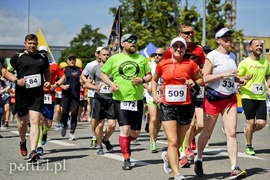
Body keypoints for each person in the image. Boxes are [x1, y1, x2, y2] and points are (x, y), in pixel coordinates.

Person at [194, 23, 247, 179]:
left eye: (229, 35)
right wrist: (224, 74)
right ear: (218, 40)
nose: (228, 38)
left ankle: (234, 168)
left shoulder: (232, 56)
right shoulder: (212, 56)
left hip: (230, 98)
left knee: (231, 132)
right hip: (213, 97)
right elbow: (204, 78)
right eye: (225, 36)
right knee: (207, 133)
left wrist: (239, 80)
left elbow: (231, 76)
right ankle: (199, 158)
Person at [152, 37, 203, 180]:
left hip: (186, 106)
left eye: (181, 46)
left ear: (185, 49)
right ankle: (177, 174)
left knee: (180, 143)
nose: (178, 49)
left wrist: (194, 81)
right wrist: (155, 94)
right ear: (170, 48)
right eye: (176, 46)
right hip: (167, 105)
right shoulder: (163, 64)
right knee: (173, 141)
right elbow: (154, 80)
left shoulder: (190, 64)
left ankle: (168, 157)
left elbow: (201, 79)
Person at [100, 34, 152, 170]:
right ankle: (126, 158)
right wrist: (111, 84)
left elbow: (149, 75)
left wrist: (142, 80)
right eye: (130, 41)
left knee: (135, 133)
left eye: (135, 40)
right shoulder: (114, 58)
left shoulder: (141, 59)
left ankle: (125, 144)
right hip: (120, 99)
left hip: (137, 99)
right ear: (122, 44)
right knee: (125, 129)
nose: (133, 43)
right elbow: (103, 74)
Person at [9, 34, 51, 162]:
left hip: (37, 94)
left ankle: (33, 151)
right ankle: (22, 141)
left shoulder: (42, 57)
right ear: (25, 44)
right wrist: (16, 80)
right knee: (22, 122)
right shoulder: (17, 57)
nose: (32, 45)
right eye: (30, 43)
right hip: (22, 94)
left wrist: (48, 81)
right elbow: (7, 72)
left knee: (36, 120)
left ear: (37, 44)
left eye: (34, 43)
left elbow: (47, 71)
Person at [237, 39, 270, 156]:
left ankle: (248, 131)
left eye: (261, 46)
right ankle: (248, 146)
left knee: (261, 123)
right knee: (250, 122)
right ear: (250, 48)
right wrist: (244, 77)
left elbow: (268, 75)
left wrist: (269, 83)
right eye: (256, 45)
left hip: (261, 96)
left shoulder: (265, 62)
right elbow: (237, 76)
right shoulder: (244, 62)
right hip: (248, 95)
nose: (259, 47)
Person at [84, 48, 116, 155]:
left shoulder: (114, 68)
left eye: (108, 55)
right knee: (100, 124)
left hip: (111, 99)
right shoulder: (95, 68)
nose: (106, 56)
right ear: (99, 56)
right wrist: (95, 87)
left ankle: (105, 139)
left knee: (112, 125)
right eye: (104, 55)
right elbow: (86, 84)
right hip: (99, 98)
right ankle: (99, 146)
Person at [36, 46, 66, 155]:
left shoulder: (53, 65)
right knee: (38, 120)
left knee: (48, 124)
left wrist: (56, 84)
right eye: (41, 52)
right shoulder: (34, 63)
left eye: (45, 52)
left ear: (48, 53)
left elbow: (63, 77)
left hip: (49, 96)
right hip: (37, 95)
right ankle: (38, 146)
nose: (43, 54)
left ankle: (44, 133)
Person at [81, 46, 103, 149]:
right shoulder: (91, 65)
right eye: (99, 52)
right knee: (96, 117)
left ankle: (100, 136)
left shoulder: (109, 64)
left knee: (104, 120)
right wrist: (88, 83)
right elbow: (83, 76)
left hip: (107, 95)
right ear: (96, 53)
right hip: (93, 94)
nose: (100, 54)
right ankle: (94, 136)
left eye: (102, 52)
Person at [143, 48, 164, 153]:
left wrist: (164, 86)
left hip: (163, 96)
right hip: (151, 95)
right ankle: (152, 141)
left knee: (159, 121)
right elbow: (142, 79)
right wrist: (147, 87)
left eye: (159, 55)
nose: (157, 56)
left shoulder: (166, 65)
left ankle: (154, 137)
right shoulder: (149, 66)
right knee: (154, 119)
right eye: (155, 54)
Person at [60, 55, 81, 140]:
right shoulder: (64, 70)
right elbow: (58, 81)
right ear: (67, 61)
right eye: (70, 60)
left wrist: (83, 82)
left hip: (75, 96)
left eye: (74, 59)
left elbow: (83, 79)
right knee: (65, 113)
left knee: (74, 114)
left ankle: (72, 132)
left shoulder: (79, 70)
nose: (72, 61)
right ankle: (64, 125)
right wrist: (62, 86)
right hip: (66, 96)